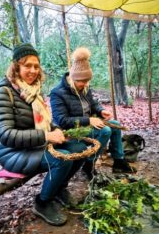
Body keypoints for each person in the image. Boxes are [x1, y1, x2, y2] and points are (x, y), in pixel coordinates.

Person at [0, 43, 86, 226]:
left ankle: (58, 189)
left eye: (36, 66)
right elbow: (6, 135)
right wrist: (46, 136)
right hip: (13, 152)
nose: (33, 70)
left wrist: (55, 129)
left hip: (35, 144)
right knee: (62, 159)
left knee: (80, 148)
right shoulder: (3, 93)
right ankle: (42, 203)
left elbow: (45, 121)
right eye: (27, 65)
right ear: (16, 66)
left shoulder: (33, 90)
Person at [50, 47, 137, 180]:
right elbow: (62, 120)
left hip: (88, 124)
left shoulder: (84, 87)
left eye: (87, 81)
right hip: (71, 131)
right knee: (105, 130)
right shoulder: (57, 93)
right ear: (73, 79)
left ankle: (118, 161)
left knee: (115, 124)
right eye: (82, 82)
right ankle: (89, 163)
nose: (85, 85)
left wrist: (101, 110)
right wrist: (89, 121)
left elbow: (93, 103)